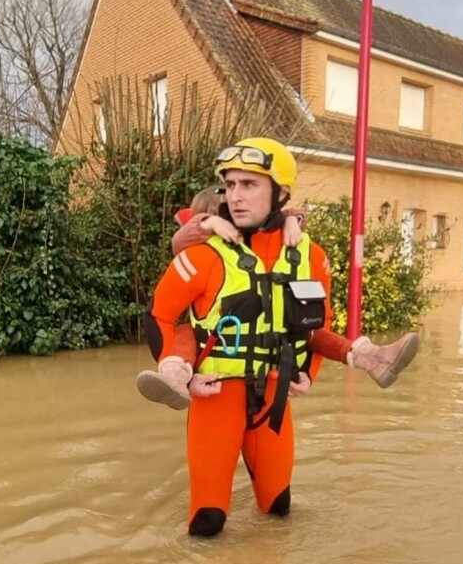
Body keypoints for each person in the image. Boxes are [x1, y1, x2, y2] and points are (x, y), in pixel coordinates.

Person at [143, 137, 342, 536]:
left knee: (279, 509)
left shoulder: (310, 255)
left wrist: (308, 373)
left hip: (273, 395)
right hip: (215, 396)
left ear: (280, 193)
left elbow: (321, 323)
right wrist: (186, 377)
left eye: (249, 185)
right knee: (208, 523)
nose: (235, 196)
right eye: (230, 185)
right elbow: (159, 318)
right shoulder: (201, 255)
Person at [136, 187, 420, 410]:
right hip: (210, 334)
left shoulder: (267, 238)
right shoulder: (201, 241)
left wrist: (289, 221)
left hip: (263, 338)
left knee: (307, 328)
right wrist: (209, 222)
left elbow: (277, 215)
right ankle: (175, 376)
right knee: (184, 332)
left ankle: (370, 357)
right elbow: (181, 240)